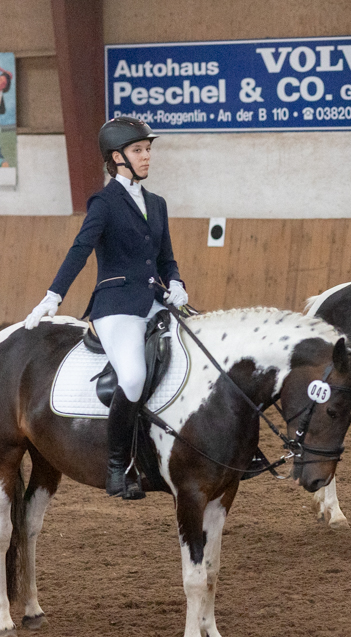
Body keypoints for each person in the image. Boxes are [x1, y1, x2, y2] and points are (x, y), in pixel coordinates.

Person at [23, 116, 188, 500]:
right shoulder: (105, 202)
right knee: (132, 377)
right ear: (116, 157)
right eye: (138, 150)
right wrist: (53, 296)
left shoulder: (157, 204)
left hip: (155, 302)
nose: (146, 156)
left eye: (148, 149)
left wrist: (177, 282)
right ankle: (118, 466)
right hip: (116, 307)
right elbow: (80, 250)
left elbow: (166, 258)